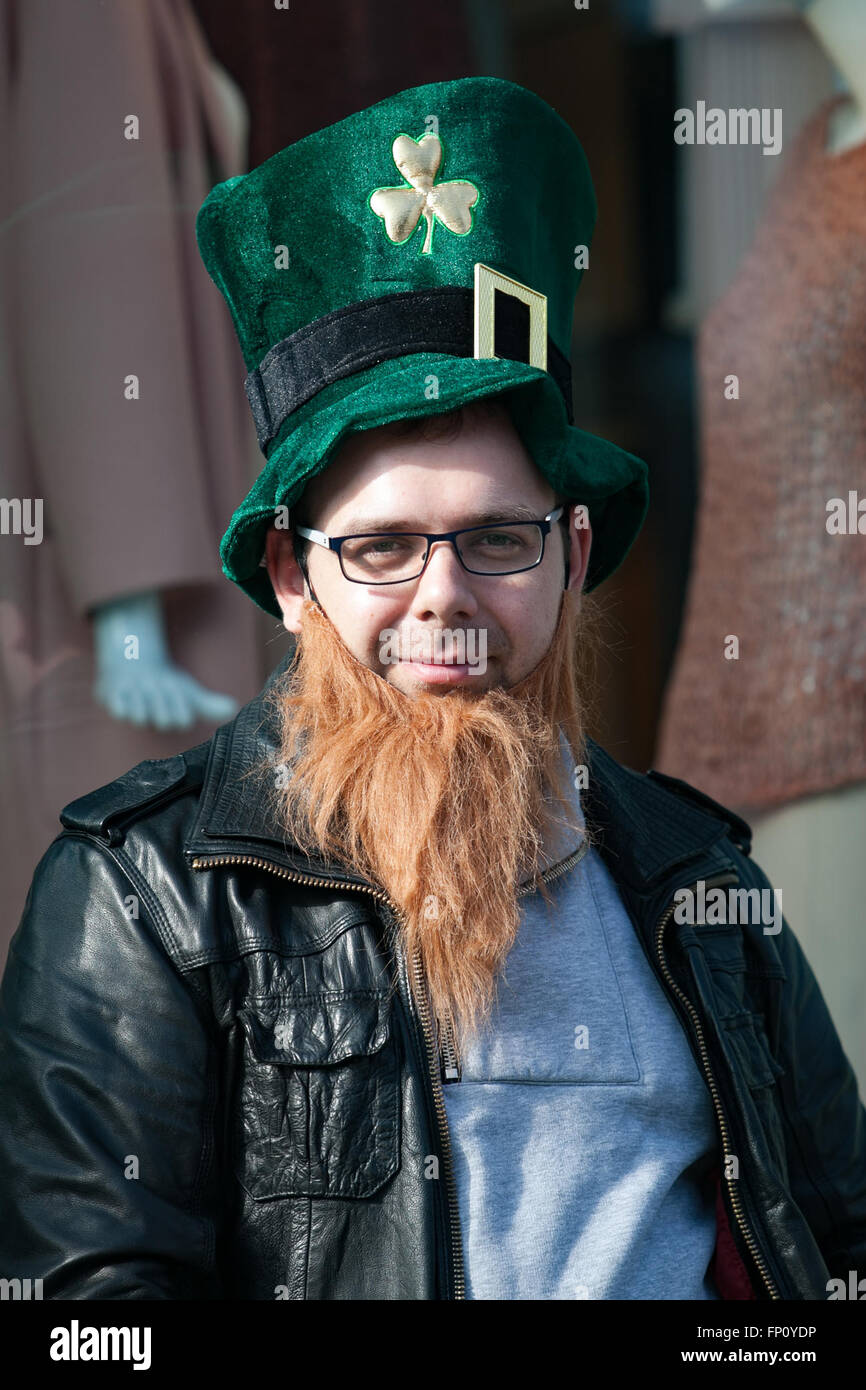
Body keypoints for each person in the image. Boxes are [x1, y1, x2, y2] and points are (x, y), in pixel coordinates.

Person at [0, 76, 863, 1302]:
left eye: (496, 540)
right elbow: (88, 1321)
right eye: (382, 546)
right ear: (291, 574)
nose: (443, 595)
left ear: (568, 559)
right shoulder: (140, 897)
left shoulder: (703, 885)